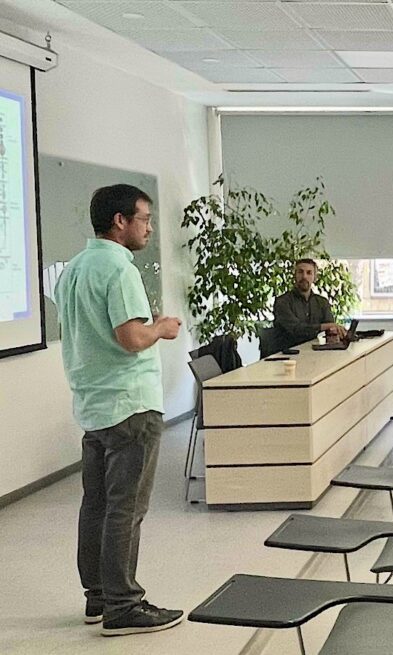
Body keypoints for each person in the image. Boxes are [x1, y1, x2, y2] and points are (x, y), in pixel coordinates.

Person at [55, 185, 184, 636]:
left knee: (96, 506)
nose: (149, 228)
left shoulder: (71, 269)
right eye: (145, 219)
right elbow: (130, 338)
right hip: (129, 404)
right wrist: (162, 328)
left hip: (92, 405)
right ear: (119, 221)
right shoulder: (119, 269)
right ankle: (124, 606)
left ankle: (98, 596)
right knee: (125, 509)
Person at [272, 259, 345, 350]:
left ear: (315, 277)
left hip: (313, 352)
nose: (304, 276)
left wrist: (336, 332)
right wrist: (326, 326)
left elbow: (330, 327)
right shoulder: (282, 302)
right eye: (300, 272)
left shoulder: (322, 302)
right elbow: (297, 330)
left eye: (309, 273)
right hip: (286, 355)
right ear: (294, 276)